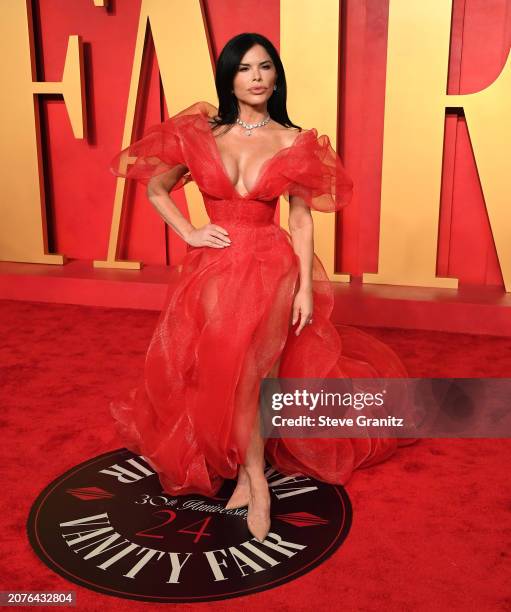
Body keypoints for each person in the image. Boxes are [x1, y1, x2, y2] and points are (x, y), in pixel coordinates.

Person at [109, 32, 415, 544]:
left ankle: (256, 481)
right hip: (213, 265)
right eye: (245, 68)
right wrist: (189, 231)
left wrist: (306, 289)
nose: (256, 76)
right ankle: (254, 474)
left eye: (265, 67)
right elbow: (157, 186)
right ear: (229, 77)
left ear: (276, 76)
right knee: (225, 369)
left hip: (271, 266)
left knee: (251, 375)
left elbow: (300, 221)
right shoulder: (203, 133)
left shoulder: (294, 141)